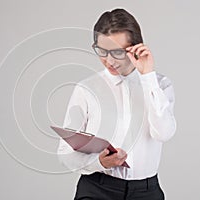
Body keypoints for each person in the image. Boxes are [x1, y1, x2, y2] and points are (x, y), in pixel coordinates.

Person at [57, 8, 176, 200]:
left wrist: (147, 77)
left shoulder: (160, 85)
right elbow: (64, 154)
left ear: (136, 48)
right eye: (102, 51)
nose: (109, 60)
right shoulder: (87, 89)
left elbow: (163, 132)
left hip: (146, 192)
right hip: (97, 189)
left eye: (118, 52)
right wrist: (99, 162)